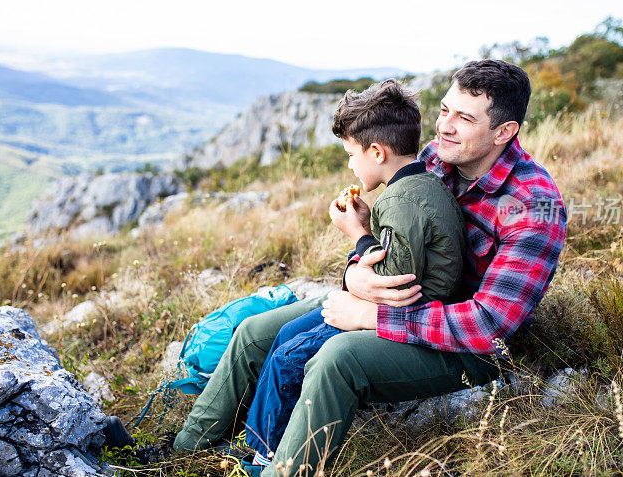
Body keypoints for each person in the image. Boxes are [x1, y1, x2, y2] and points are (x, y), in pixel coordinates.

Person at [172, 59, 567, 477]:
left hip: (464, 344)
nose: (444, 127)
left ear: (504, 132)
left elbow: (488, 326)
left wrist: (372, 315)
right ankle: (183, 451)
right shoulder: (436, 159)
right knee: (255, 333)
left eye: (464, 118)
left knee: (336, 358)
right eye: (443, 110)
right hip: (399, 296)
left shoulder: (533, 207)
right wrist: (355, 271)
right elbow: (389, 243)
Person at [243, 79, 465, 470]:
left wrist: (357, 234)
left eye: (350, 154)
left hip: (406, 319)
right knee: (286, 335)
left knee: (287, 358)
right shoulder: (421, 183)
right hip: (404, 308)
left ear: (376, 151)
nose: (349, 164)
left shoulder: (400, 200)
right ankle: (259, 438)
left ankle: (262, 455)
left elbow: (395, 280)